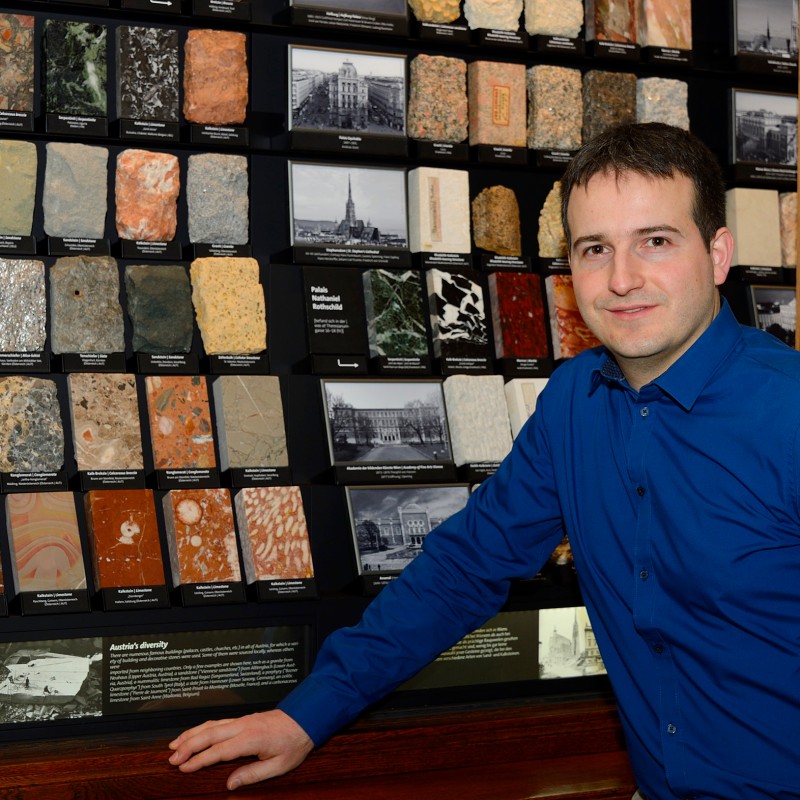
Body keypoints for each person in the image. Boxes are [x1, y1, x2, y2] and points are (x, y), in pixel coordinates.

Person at [169, 122, 800, 799]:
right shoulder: (573, 402)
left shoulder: (785, 412)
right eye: (595, 249)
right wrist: (306, 713)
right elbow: (466, 566)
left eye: (655, 241)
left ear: (719, 253)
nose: (622, 279)